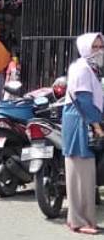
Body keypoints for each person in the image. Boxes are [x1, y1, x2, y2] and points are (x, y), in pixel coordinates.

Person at [62, 33, 104, 235]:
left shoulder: (87, 68)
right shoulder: (82, 68)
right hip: (80, 121)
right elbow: (84, 99)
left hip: (80, 120)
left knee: (84, 173)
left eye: (100, 46)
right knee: (80, 174)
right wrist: (96, 125)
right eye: (94, 47)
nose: (98, 50)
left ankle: (82, 219)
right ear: (85, 48)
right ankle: (79, 221)